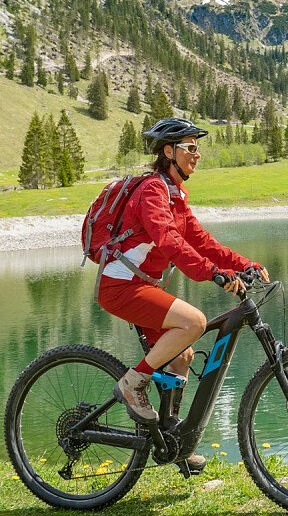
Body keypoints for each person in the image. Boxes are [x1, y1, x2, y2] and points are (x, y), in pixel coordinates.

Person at [96, 116, 269, 471]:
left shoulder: (175, 194)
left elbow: (200, 240)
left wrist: (241, 263)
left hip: (141, 286)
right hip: (120, 286)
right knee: (194, 322)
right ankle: (133, 383)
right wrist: (214, 274)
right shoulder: (152, 191)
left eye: (198, 147)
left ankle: (174, 440)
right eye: (191, 147)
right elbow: (171, 243)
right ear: (168, 151)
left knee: (182, 357)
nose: (198, 154)